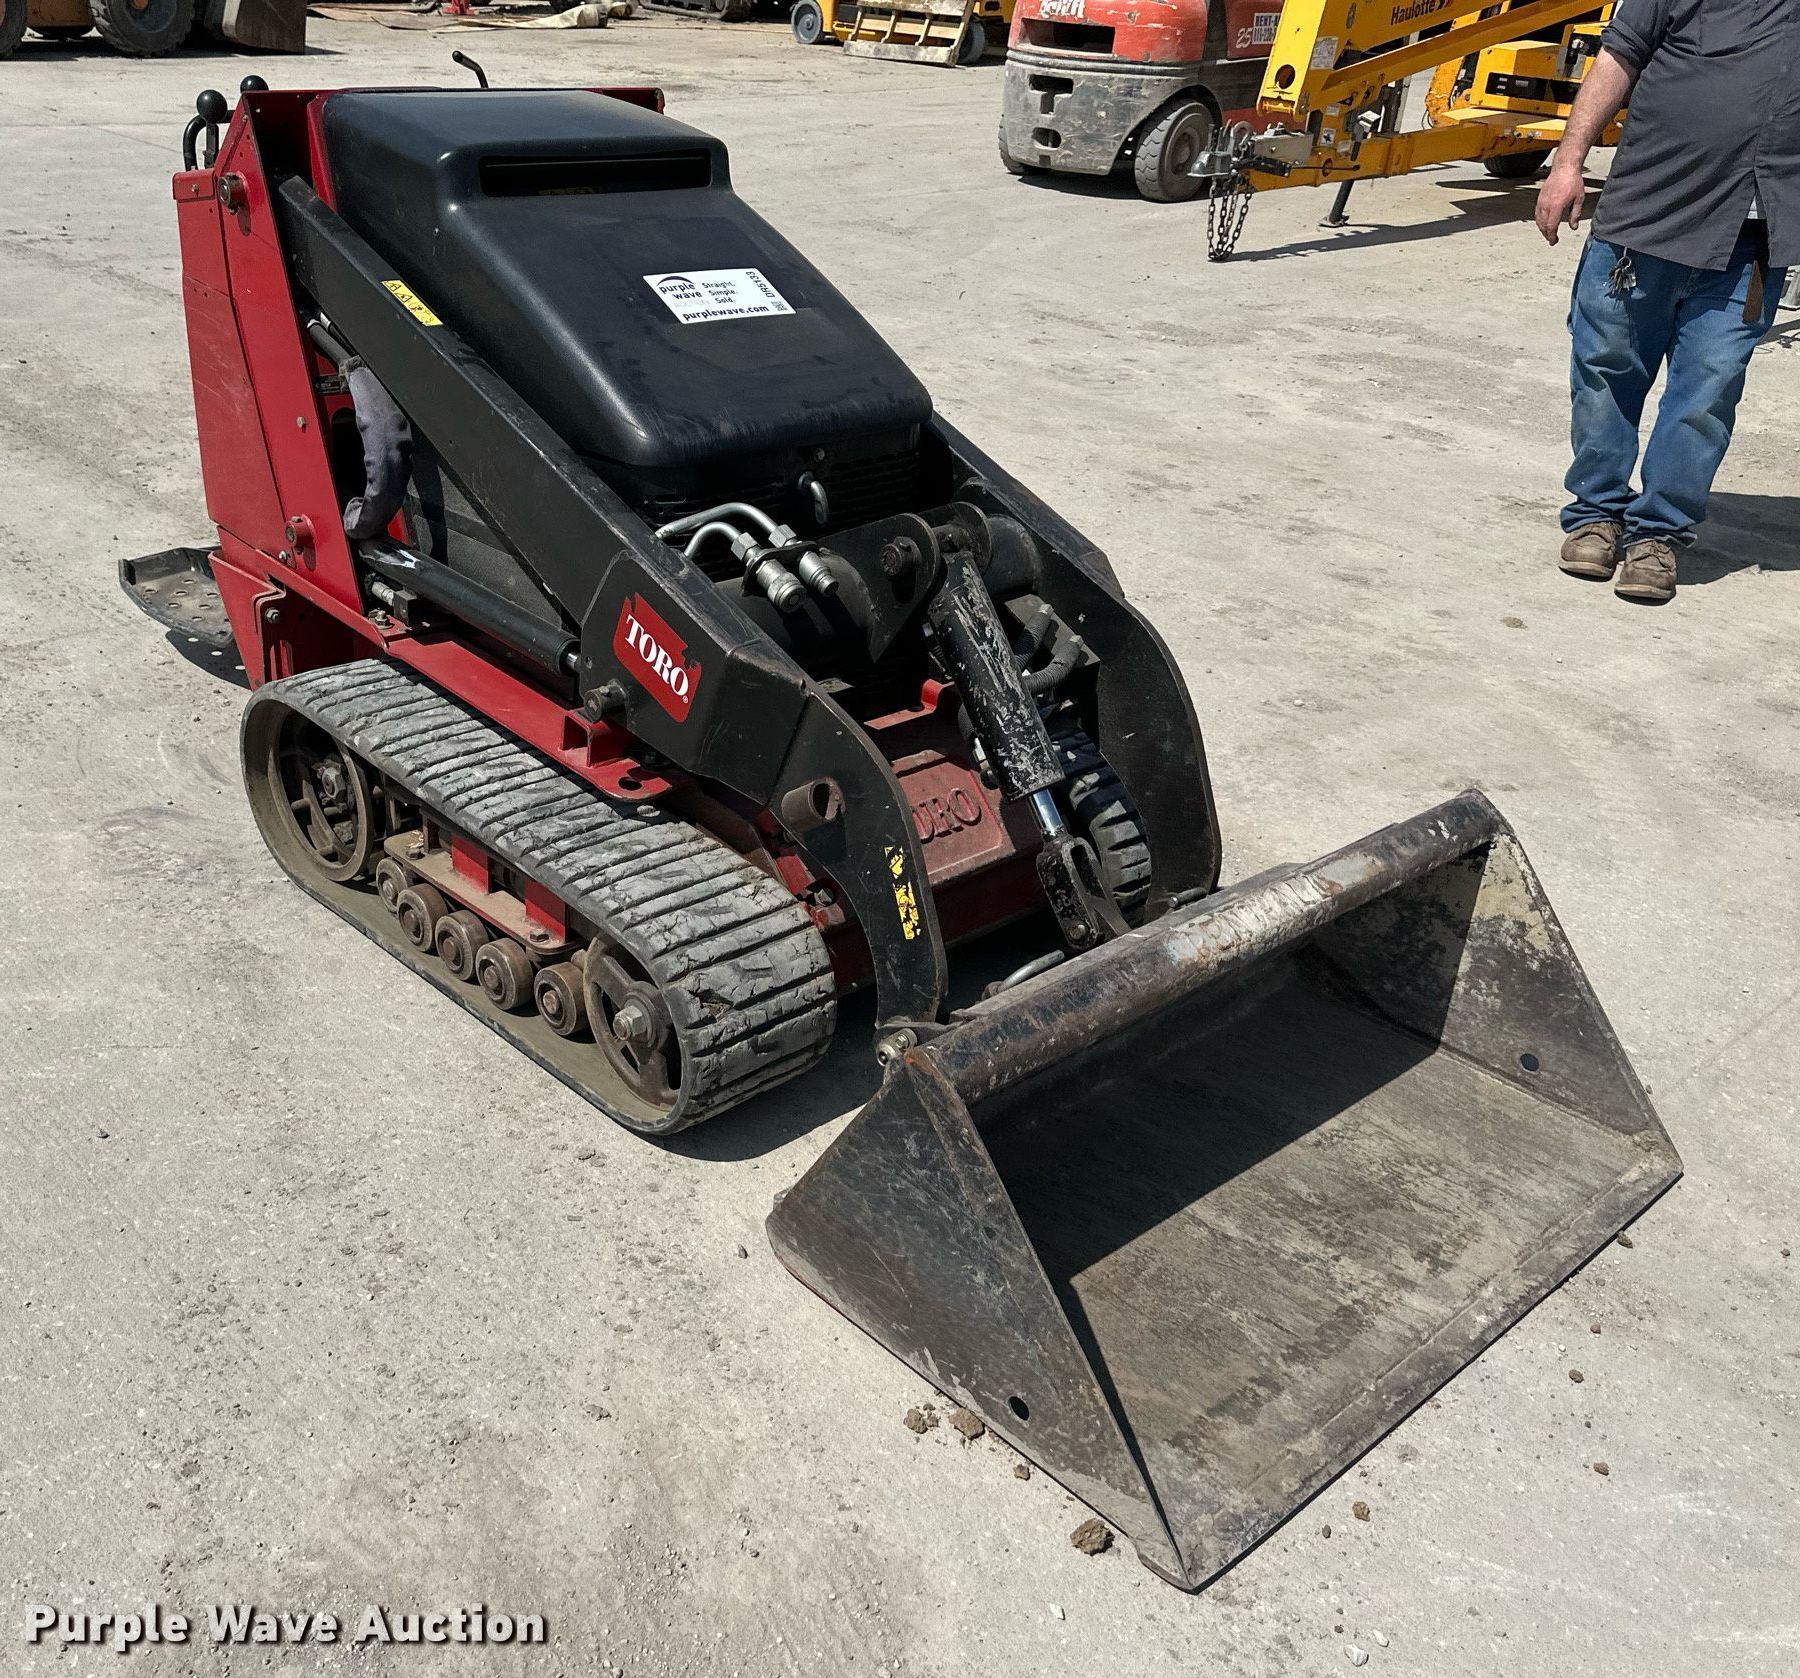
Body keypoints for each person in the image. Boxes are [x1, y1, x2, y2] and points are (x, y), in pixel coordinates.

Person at [1535, 0, 1796, 603]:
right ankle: (1597, 513)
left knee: (1708, 388)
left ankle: (1658, 534)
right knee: (1606, 369)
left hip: (1751, 239)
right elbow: (1616, 58)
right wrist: (1568, 162)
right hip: (1646, 217)